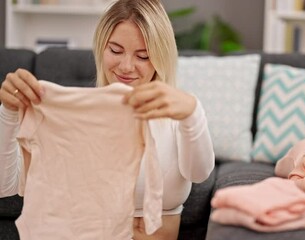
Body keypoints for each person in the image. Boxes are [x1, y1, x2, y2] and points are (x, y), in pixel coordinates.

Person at [0, 0, 215, 239]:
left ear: (161, 57)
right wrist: (8, 113)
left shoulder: (179, 112)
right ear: (101, 48)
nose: (126, 66)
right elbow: (4, 185)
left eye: (143, 56)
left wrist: (192, 114)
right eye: (115, 50)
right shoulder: (76, 115)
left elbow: (199, 173)